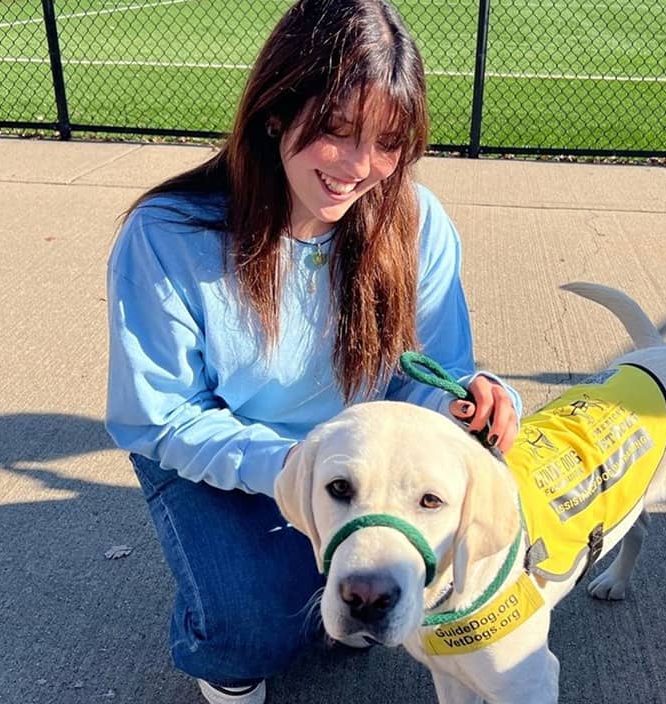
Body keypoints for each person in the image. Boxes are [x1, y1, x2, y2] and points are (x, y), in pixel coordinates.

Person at [105, 1, 522, 702]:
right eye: (337, 130)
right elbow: (162, 417)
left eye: (389, 142)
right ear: (276, 111)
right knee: (260, 627)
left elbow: (434, 370)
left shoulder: (416, 222)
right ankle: (223, 651)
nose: (362, 167)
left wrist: (465, 400)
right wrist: (304, 470)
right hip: (217, 451)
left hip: (356, 462)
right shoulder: (167, 236)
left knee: (400, 577)